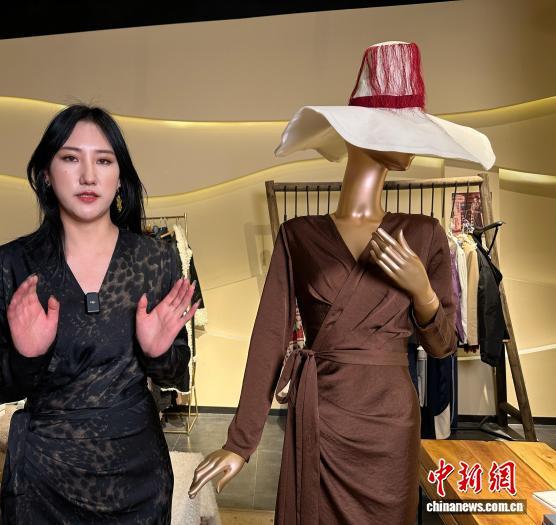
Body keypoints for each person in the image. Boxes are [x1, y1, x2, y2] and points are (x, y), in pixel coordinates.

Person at [189, 41, 495, 524]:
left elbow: (441, 348)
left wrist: (423, 292)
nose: (411, 143)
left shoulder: (424, 234)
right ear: (360, 134)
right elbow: (269, 339)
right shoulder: (299, 236)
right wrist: (240, 442)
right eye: (399, 128)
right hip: (321, 415)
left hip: (390, 424)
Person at [0, 105, 198, 524]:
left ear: (120, 177)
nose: (89, 176)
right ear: (45, 173)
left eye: (104, 161)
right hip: (42, 480)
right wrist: (25, 358)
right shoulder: (10, 264)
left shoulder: (156, 260)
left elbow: (178, 375)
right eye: (71, 158)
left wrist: (158, 353)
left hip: (138, 475)